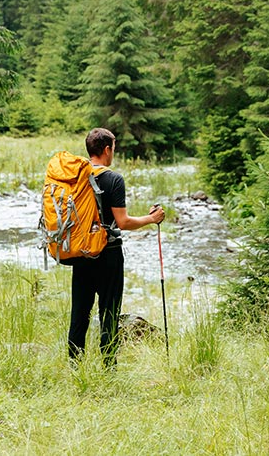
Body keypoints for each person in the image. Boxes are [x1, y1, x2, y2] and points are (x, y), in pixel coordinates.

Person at [68, 127, 165, 366]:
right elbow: (123, 222)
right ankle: (108, 367)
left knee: (79, 312)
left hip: (81, 252)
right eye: (113, 148)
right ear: (107, 149)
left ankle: (75, 366)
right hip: (108, 254)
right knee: (109, 312)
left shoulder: (76, 177)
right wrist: (151, 219)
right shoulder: (113, 179)